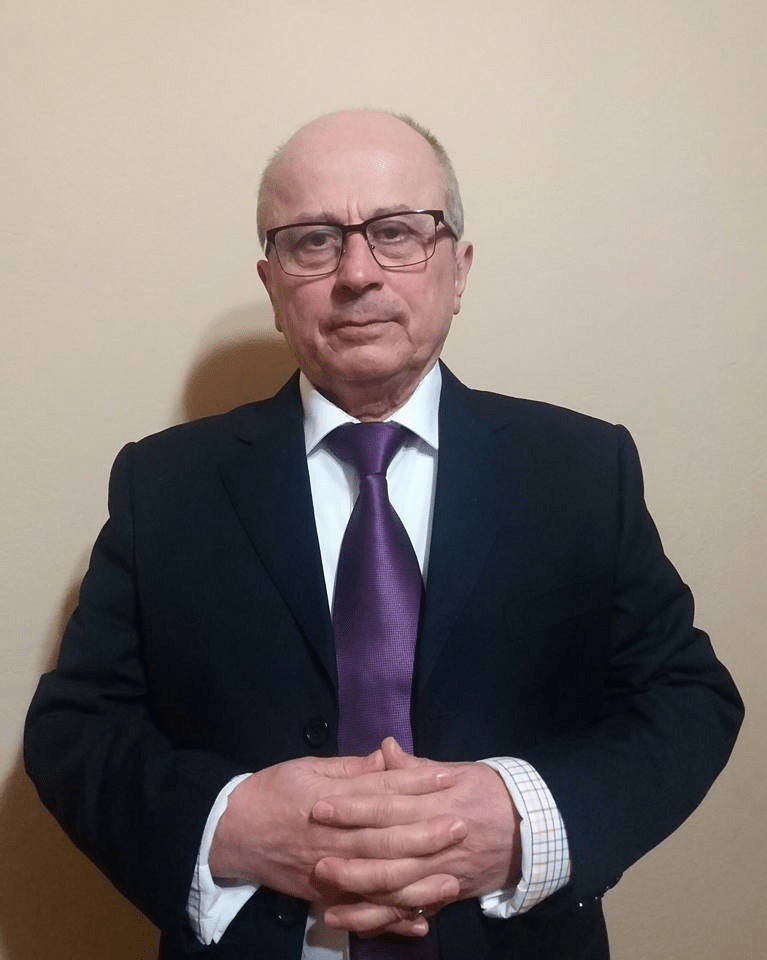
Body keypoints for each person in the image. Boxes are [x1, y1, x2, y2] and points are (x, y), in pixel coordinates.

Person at [24, 110, 743, 960]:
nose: (357, 273)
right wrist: (228, 824)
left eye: (397, 232)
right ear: (272, 284)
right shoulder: (164, 483)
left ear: (457, 268)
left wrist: (525, 817)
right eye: (314, 241)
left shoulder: (582, 468)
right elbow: (75, 728)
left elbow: (685, 699)